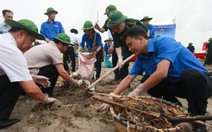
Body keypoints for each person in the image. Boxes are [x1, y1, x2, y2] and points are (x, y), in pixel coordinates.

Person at [109, 26, 212, 132]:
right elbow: (129, 78)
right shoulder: (141, 58)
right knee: (147, 80)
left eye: (130, 45)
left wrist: (138, 89)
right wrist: (112, 96)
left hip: (202, 84)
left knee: (190, 75)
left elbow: (162, 73)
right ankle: (177, 110)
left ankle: (199, 120)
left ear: (140, 39)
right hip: (179, 86)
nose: (130, 49)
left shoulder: (164, 43)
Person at [0, 19, 57, 128]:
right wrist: (46, 99)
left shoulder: (3, 41)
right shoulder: (11, 50)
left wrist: (32, 77)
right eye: (31, 41)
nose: (31, 46)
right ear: (21, 34)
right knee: (17, 82)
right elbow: (30, 90)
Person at [24, 33, 79, 97]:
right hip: (29, 76)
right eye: (66, 46)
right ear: (61, 43)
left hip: (25, 76)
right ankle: (47, 93)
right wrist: (73, 82)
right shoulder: (54, 50)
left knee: (54, 67)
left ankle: (40, 90)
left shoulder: (48, 46)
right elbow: (62, 72)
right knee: (55, 69)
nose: (66, 49)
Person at [107, 10, 149, 80]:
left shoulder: (133, 23)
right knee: (123, 62)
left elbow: (147, 33)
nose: (115, 29)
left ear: (123, 22)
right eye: (113, 28)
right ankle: (124, 81)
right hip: (125, 45)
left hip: (139, 44)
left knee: (145, 58)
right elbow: (117, 45)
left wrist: (142, 46)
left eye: (116, 27)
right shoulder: (113, 30)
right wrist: (120, 58)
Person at [95, 4, 120, 80]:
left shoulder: (120, 19)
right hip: (116, 43)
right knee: (114, 60)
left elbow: (120, 37)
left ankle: (124, 77)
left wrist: (113, 46)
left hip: (122, 43)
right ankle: (117, 76)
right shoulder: (107, 21)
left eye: (108, 14)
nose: (108, 16)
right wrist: (98, 28)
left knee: (123, 60)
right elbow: (103, 30)